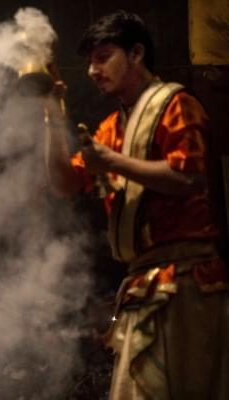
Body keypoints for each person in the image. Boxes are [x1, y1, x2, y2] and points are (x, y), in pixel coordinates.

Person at [44, 10, 229, 399]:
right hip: (142, 284)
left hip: (186, 281)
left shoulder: (176, 103)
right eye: (90, 61)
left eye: (104, 57)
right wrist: (49, 110)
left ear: (137, 53)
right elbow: (63, 183)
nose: (93, 70)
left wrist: (111, 162)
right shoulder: (112, 127)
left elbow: (190, 177)